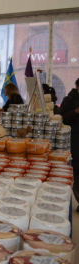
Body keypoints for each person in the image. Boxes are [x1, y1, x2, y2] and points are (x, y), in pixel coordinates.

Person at [59, 78, 79, 208]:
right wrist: (75, 112)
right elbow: (62, 119)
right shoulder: (68, 100)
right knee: (76, 171)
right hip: (75, 139)